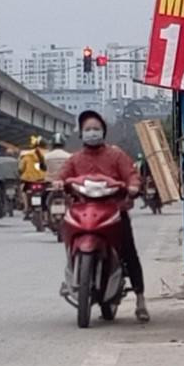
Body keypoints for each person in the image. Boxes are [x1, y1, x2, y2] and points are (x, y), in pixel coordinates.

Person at [58, 110, 149, 322]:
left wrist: (133, 186)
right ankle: (73, 273)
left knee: (129, 252)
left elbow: (131, 175)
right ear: (81, 133)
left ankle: (140, 299)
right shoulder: (75, 159)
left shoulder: (116, 156)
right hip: (83, 209)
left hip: (114, 209)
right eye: (88, 129)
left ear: (103, 132)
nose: (92, 133)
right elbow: (62, 176)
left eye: (96, 129)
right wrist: (58, 182)